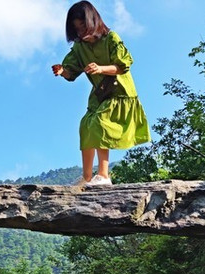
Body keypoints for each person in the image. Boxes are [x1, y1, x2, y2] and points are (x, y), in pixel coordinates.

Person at [52, 1, 151, 186]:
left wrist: (100, 68)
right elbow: (71, 72)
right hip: (100, 93)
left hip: (120, 91)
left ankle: (104, 175)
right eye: (77, 30)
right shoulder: (79, 48)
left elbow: (123, 67)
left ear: (93, 22)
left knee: (100, 123)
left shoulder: (111, 38)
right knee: (86, 125)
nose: (81, 33)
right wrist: (61, 71)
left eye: (83, 27)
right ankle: (87, 177)